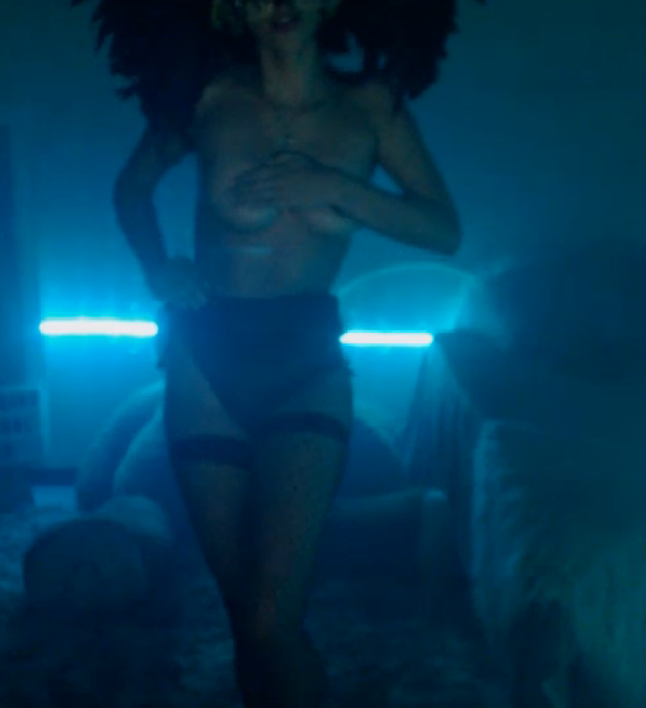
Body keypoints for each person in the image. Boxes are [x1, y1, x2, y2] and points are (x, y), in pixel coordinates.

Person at [76, 0, 469, 705]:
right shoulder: (209, 97)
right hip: (204, 362)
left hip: (306, 362)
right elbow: (131, 188)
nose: (279, 1)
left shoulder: (369, 107)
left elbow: (443, 228)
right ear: (229, 8)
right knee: (246, 621)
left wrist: (334, 187)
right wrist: (157, 267)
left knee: (270, 617)